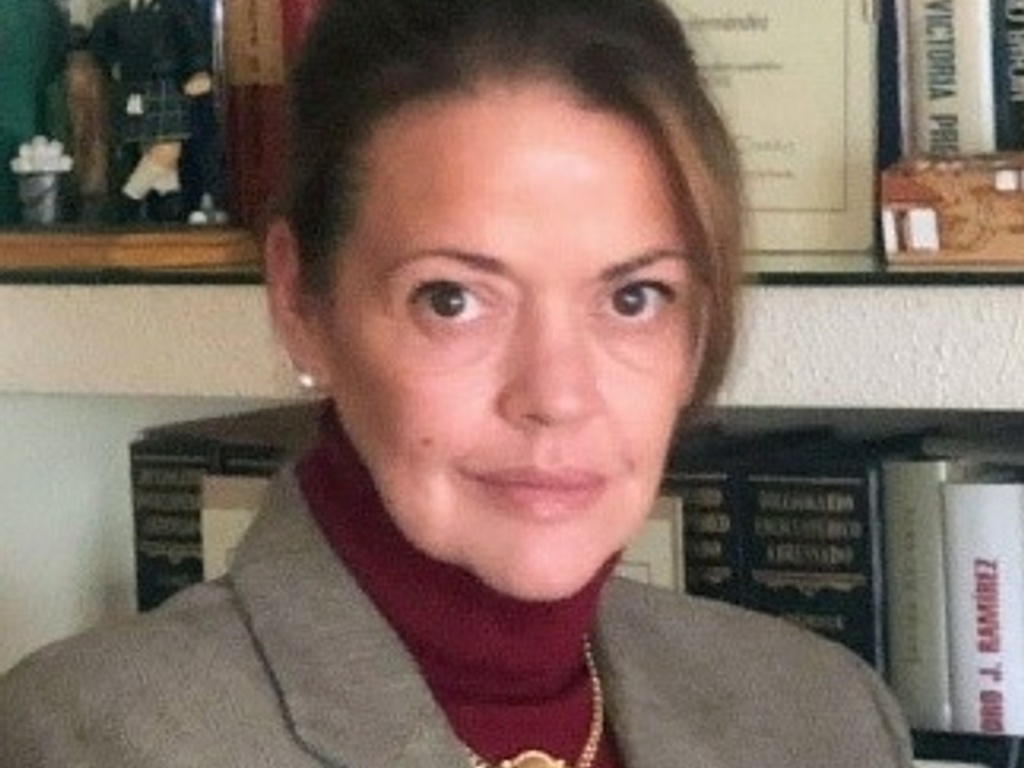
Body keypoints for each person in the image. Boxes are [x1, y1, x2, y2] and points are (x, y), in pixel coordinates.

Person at [0, 0, 915, 766]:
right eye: (453, 299)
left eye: (635, 296)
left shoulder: (825, 719)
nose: (556, 394)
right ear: (299, 299)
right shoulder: (96, 740)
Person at [88, 0, 213, 222]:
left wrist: (199, 70)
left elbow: (192, 40)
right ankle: (169, 204)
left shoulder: (174, 9)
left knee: (167, 148)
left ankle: (128, 200)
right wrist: (111, 64)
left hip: (164, 80)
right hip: (131, 85)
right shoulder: (115, 15)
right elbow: (99, 43)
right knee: (153, 150)